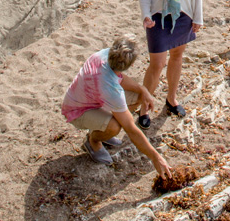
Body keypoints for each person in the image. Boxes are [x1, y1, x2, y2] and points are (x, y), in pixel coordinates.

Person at [61, 34, 170, 175]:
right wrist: (156, 157)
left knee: (139, 97)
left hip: (94, 97)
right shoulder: (112, 89)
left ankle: (101, 127)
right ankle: (93, 141)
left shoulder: (105, 55)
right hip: (77, 111)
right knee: (115, 127)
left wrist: (143, 89)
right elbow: (131, 129)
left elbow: (119, 77)